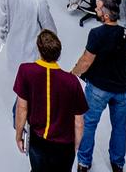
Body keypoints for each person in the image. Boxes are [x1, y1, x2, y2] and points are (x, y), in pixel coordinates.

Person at [71, 0, 126, 172]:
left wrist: (72, 74)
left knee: (88, 124)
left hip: (98, 90)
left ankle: (84, 162)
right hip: (122, 92)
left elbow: (86, 61)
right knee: (119, 127)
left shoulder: (97, 34)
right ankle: (118, 164)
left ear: (106, 16)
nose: (96, 11)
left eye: (98, 9)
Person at [15, 30, 88, 171]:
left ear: (39, 49)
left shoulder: (26, 71)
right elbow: (79, 122)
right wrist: (75, 146)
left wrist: (19, 135)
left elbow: (21, 108)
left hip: (38, 140)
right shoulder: (71, 82)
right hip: (64, 146)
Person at [0, 0, 57, 73]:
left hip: (13, 42)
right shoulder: (38, 0)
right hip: (31, 47)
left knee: (16, 71)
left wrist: (3, 34)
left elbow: (2, 17)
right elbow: (49, 27)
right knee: (31, 74)